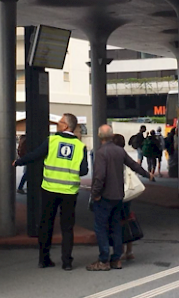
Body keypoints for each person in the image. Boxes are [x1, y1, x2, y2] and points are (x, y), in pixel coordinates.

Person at [12, 113, 88, 271]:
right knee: (67, 227)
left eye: (60, 121)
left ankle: (44, 259)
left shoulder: (52, 141)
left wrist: (19, 162)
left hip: (50, 189)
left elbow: (35, 155)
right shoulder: (81, 147)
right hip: (69, 191)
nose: (58, 123)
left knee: (46, 224)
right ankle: (67, 262)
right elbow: (83, 170)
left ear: (66, 126)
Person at [87, 125, 152, 271]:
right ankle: (116, 259)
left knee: (101, 228)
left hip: (104, 196)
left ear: (99, 136)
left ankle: (104, 260)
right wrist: (147, 174)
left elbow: (100, 177)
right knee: (116, 226)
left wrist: (95, 194)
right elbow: (134, 165)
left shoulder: (101, 153)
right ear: (111, 136)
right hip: (118, 196)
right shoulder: (119, 151)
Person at [112, 133, 136, 261]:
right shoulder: (125, 155)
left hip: (115, 193)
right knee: (126, 219)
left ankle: (119, 250)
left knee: (117, 222)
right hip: (127, 193)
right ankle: (129, 250)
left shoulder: (113, 156)